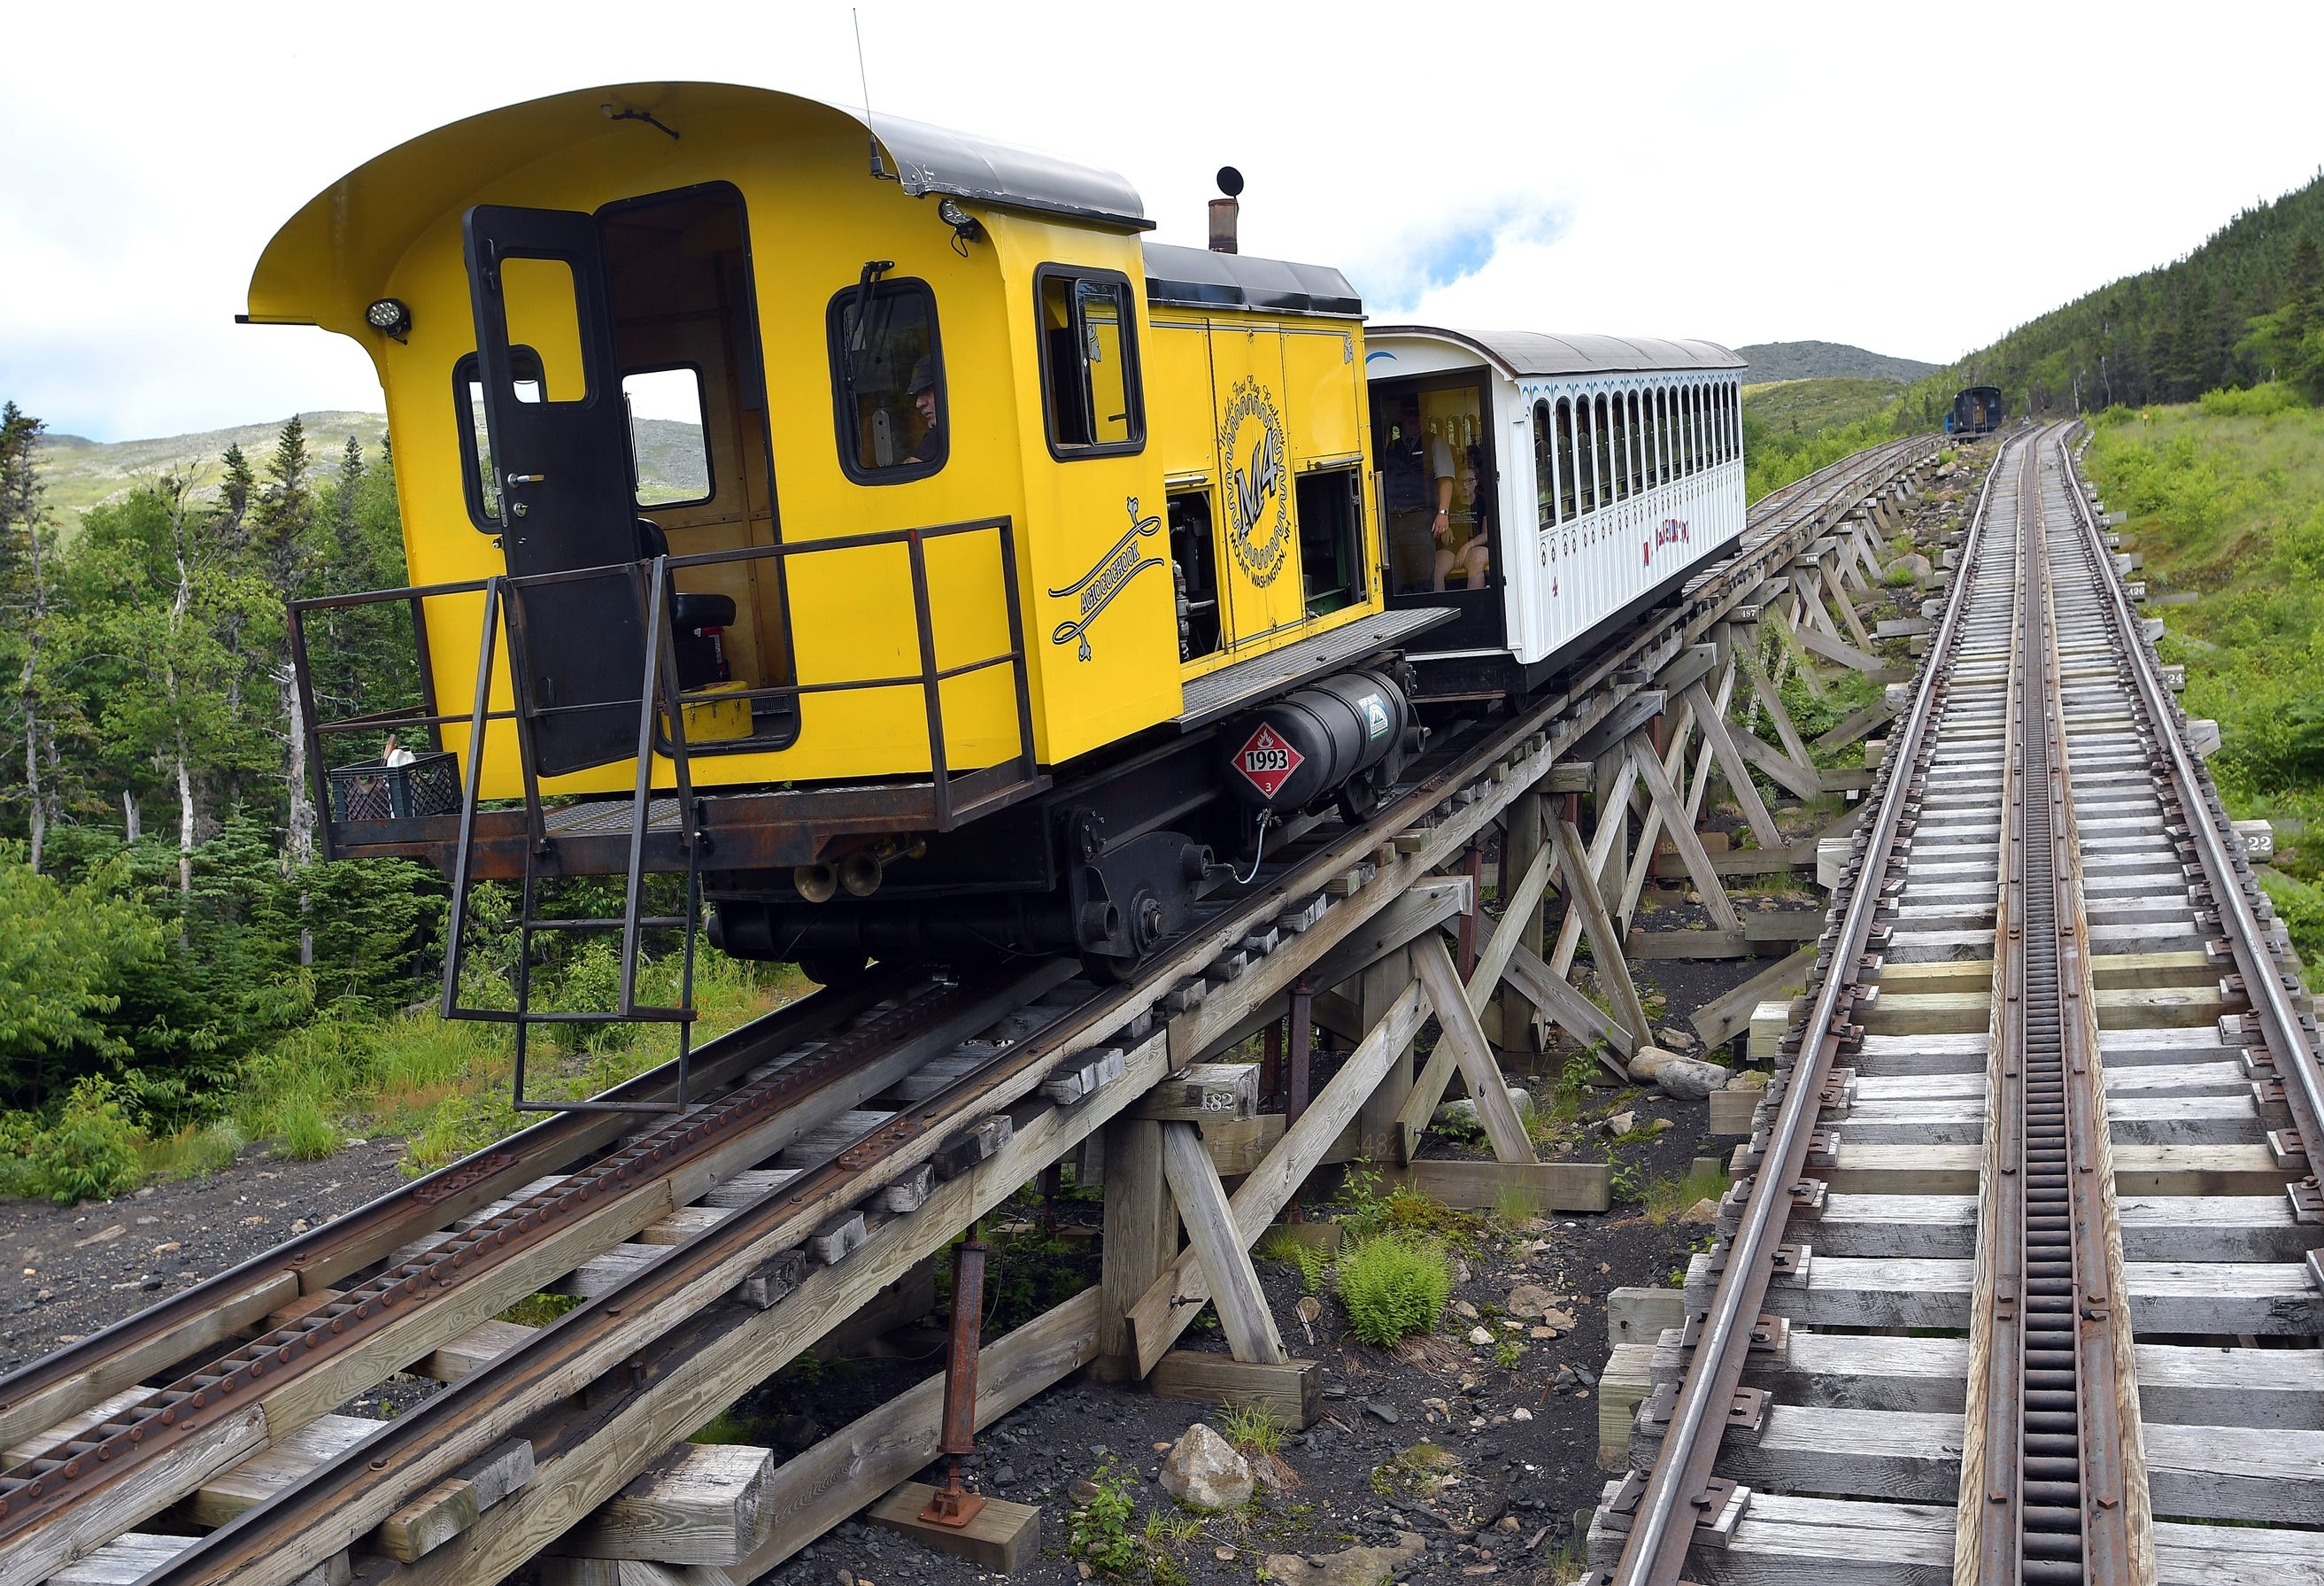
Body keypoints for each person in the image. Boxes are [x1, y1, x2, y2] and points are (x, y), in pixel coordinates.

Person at [1379, 395, 1454, 592]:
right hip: (1393, 520)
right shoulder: (1391, 447)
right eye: (1408, 415)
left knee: (1422, 577)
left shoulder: (1435, 443)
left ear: (1424, 418)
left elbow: (1446, 479)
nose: (1412, 419)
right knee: (1396, 579)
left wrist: (1443, 514)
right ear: (1401, 418)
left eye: (1417, 414)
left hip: (1421, 519)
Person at [1434, 463, 1491, 592]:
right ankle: (1441, 609)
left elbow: (1487, 534)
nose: (1465, 485)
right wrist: (1445, 529)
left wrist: (1466, 547)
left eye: (1469, 481)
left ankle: (1475, 609)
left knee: (1476, 561)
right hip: (1452, 547)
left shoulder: (1483, 501)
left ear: (1476, 482)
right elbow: (1439, 522)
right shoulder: (1449, 502)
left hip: (1476, 546)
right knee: (1436, 566)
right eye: (1461, 481)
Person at [904, 355, 942, 464]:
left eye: (926, 391)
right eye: (918, 395)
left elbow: (911, 468)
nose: (918, 404)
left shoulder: (942, 433)